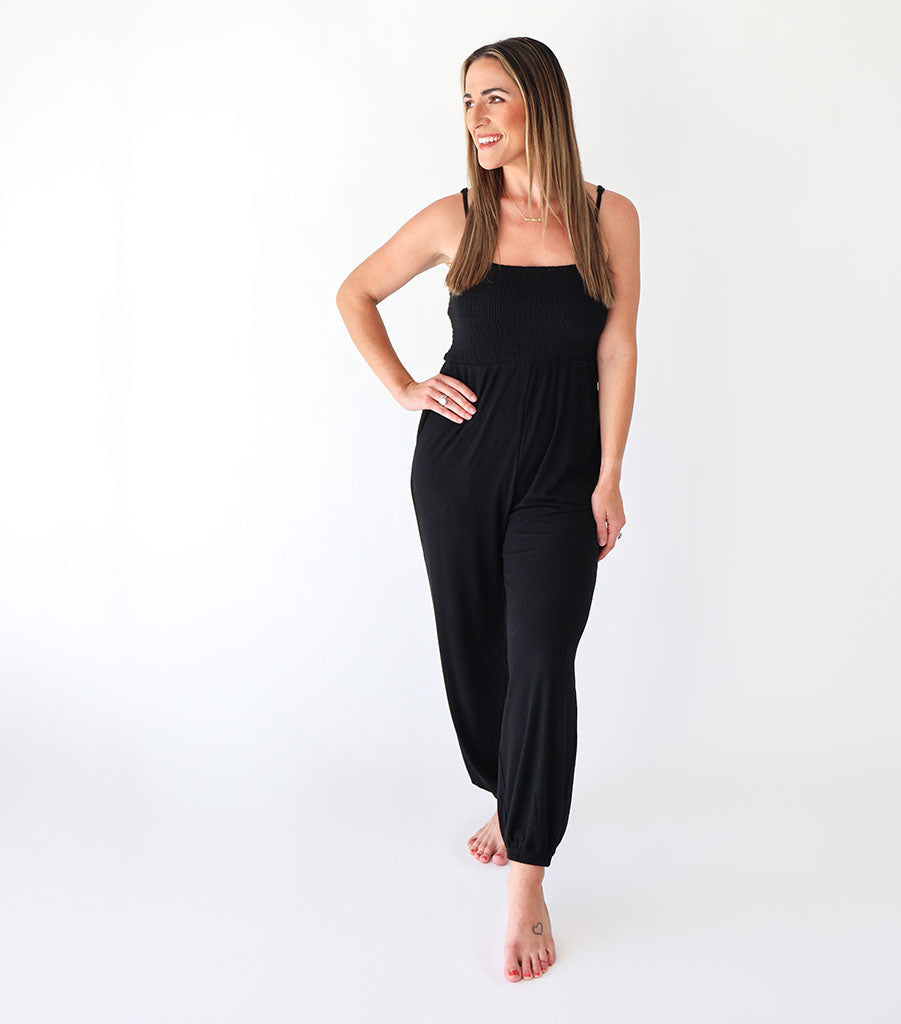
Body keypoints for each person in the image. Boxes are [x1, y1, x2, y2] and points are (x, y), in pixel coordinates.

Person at [335, 36, 639, 983]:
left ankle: (528, 878)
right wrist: (405, 388)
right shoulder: (456, 219)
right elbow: (355, 292)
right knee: (476, 652)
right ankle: (508, 791)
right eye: (468, 101)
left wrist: (609, 476)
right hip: (459, 471)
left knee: (543, 655)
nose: (477, 117)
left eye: (495, 96)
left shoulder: (609, 216)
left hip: (562, 480)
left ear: (541, 102)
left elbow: (618, 347)